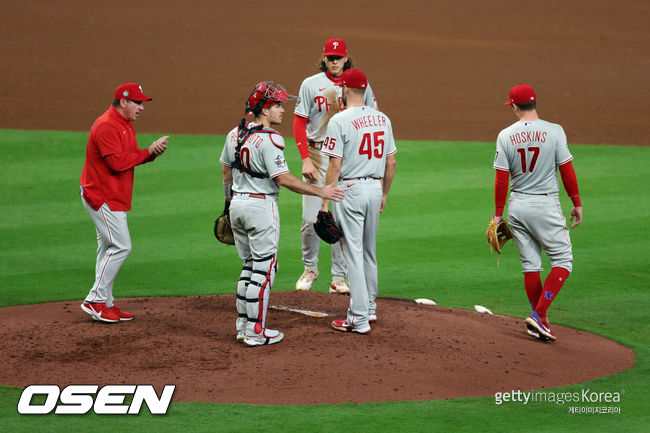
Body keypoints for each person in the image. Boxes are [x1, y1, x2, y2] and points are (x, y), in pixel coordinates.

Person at [220, 81, 345, 347]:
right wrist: (320, 191)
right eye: (277, 105)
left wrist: (227, 205)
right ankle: (255, 332)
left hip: (237, 205)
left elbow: (226, 171)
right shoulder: (270, 139)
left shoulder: (234, 134)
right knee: (264, 271)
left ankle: (243, 326)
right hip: (260, 208)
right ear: (265, 110)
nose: (282, 110)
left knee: (249, 267)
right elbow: (285, 178)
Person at [492, 84, 583, 342]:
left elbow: (501, 179)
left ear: (514, 106)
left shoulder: (505, 135)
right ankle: (539, 313)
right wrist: (576, 202)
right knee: (563, 261)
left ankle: (541, 321)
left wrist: (498, 215)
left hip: (517, 206)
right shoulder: (555, 131)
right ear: (535, 104)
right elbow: (567, 170)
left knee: (531, 265)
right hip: (546, 205)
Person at [293, 38, 378, 294]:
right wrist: (305, 157)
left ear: (346, 58)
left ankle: (338, 277)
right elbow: (299, 121)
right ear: (323, 57)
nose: (333, 61)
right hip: (318, 156)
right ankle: (310, 268)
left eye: (338, 57)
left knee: (340, 220)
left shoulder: (359, 84)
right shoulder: (311, 84)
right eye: (330, 57)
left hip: (347, 160)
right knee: (311, 220)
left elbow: (372, 116)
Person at [80, 82, 169, 323]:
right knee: (121, 246)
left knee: (108, 247)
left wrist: (150, 154)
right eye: (137, 102)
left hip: (113, 194)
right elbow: (117, 164)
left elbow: (128, 158)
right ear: (123, 102)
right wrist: (147, 152)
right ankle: (95, 300)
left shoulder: (125, 124)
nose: (141, 107)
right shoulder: (107, 126)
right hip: (101, 195)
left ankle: (105, 302)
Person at [320, 69, 397, 334]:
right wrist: (384, 194)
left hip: (349, 190)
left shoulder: (339, 120)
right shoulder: (382, 118)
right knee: (368, 252)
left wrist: (325, 200)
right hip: (374, 189)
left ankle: (359, 318)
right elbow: (391, 161)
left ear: (344, 89)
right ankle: (370, 309)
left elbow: (335, 164)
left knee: (352, 254)